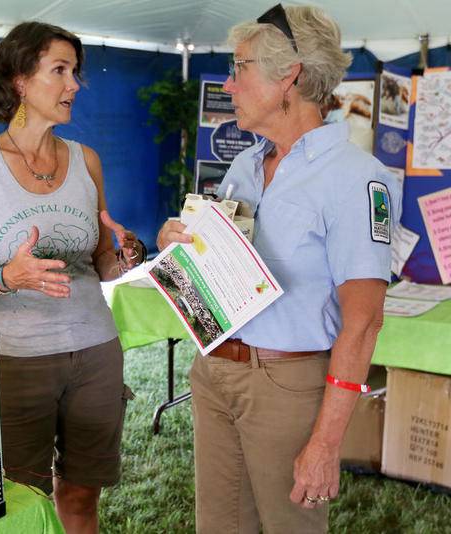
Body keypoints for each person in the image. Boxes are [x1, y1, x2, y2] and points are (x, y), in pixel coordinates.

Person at [157, 4, 401, 533]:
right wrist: (176, 247)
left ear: (288, 75)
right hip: (215, 370)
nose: (228, 83)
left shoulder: (357, 178)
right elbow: (218, 269)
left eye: (239, 67)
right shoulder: (245, 164)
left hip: (288, 384)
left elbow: (364, 324)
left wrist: (326, 443)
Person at [0, 21, 144, 534]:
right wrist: (8, 277)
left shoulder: (86, 161)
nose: (75, 84)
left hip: (95, 348)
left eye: (75, 72)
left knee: (81, 494)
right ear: (20, 82)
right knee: (20, 501)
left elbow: (102, 260)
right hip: (16, 357)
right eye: (60, 70)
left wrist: (128, 256)